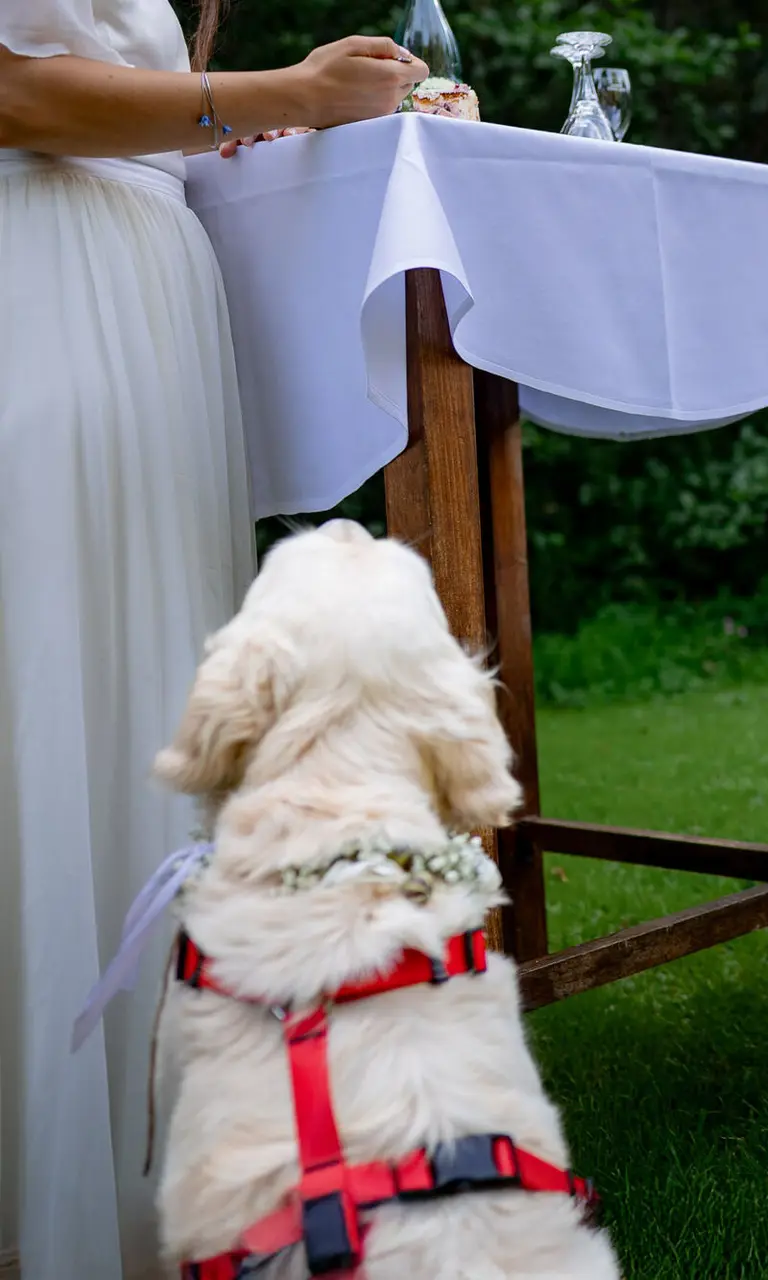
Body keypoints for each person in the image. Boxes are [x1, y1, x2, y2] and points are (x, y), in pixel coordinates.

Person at [0, 5, 426, 1275]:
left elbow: (123, 79)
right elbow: (16, 95)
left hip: (144, 284)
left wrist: (222, 120)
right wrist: (268, 91)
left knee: (145, 710)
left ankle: (150, 1155)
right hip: (50, 284)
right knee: (54, 688)